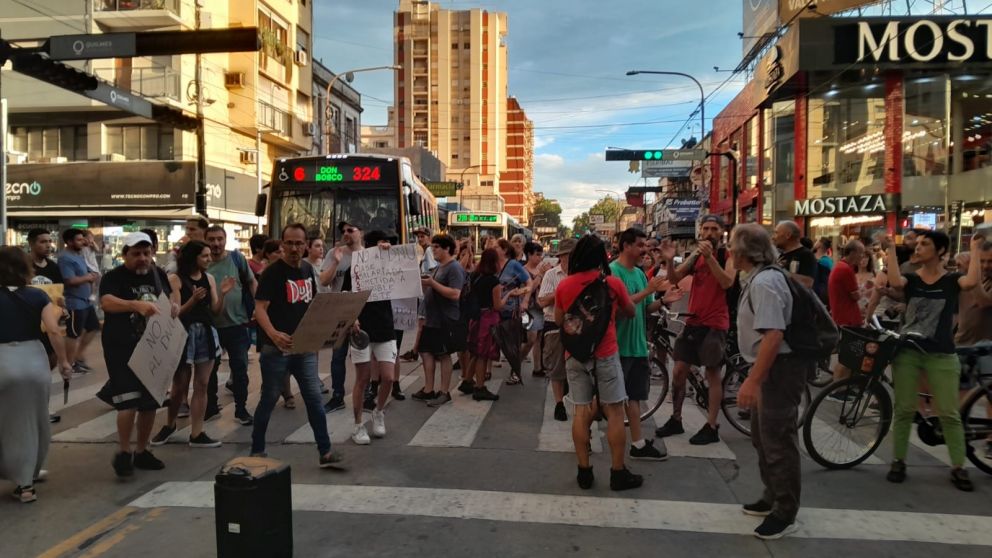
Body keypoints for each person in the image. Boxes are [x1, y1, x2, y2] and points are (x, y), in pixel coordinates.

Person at [881, 231, 985, 492]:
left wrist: (974, 249)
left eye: (924, 244)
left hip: (941, 354)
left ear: (940, 251)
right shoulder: (913, 279)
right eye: (917, 244)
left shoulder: (951, 279)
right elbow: (895, 281)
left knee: (949, 413)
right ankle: (898, 461)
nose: (918, 247)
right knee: (904, 409)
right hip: (908, 352)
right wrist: (890, 250)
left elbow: (972, 282)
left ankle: (958, 466)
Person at [731, 224, 811, 540]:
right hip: (770, 368)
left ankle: (785, 511)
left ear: (743, 253)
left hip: (780, 369)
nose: (729, 252)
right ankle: (773, 495)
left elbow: (774, 335)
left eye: (732, 247)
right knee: (762, 437)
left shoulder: (765, 282)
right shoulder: (757, 278)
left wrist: (753, 381)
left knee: (777, 440)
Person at [554, 235, 642, 491]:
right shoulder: (612, 283)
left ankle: (584, 471)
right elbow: (631, 311)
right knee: (614, 411)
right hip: (606, 352)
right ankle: (617, 472)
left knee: (581, 412)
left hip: (575, 355)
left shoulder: (564, 285)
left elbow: (559, 320)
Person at [251, 223, 342, 468]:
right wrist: (273, 334)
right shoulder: (272, 273)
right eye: (289, 243)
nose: (294, 248)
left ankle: (325, 451)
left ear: (305, 246)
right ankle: (257, 450)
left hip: (304, 348)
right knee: (269, 399)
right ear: (282, 244)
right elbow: (260, 309)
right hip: (276, 349)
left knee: (314, 398)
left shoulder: (307, 269)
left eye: (299, 243)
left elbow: (314, 304)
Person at [97, 232, 177, 478]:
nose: (142, 258)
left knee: (150, 402)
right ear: (125, 255)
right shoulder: (113, 277)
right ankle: (124, 452)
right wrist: (134, 305)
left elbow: (168, 297)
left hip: (153, 346)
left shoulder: (158, 274)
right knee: (128, 401)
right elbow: (106, 302)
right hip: (122, 347)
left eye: (146, 253)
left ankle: (142, 451)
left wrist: (173, 307)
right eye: (136, 254)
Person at [0, 247, 72, 503]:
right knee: (31, 423)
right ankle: (26, 484)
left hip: (2, 361)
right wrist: (64, 362)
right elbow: (53, 331)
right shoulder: (38, 295)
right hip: (32, 360)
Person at [656, 215, 736, 445]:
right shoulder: (695, 256)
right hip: (693, 322)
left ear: (721, 232)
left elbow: (727, 282)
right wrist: (670, 261)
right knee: (679, 370)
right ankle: (676, 419)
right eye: (706, 228)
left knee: (712, 374)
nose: (709, 233)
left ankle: (712, 425)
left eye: (714, 229)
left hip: (715, 323)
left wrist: (709, 257)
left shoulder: (728, 256)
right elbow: (674, 278)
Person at [151, 241, 233, 448]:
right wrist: (193, 301)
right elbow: (176, 312)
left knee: (202, 383)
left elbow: (215, 310)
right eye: (204, 256)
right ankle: (170, 424)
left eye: (208, 255)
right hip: (184, 333)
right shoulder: (175, 279)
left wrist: (223, 294)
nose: (208, 259)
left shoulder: (209, 278)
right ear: (192, 257)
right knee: (180, 385)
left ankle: (197, 432)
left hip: (206, 332)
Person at [610, 229, 671, 461]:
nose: (644, 249)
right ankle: (583, 426)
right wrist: (648, 290)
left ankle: (637, 444)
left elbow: (646, 307)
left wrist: (663, 299)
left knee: (634, 397)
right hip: (617, 346)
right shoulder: (613, 272)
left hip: (637, 346)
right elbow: (619, 308)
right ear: (626, 246)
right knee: (610, 401)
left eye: (645, 245)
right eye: (640, 245)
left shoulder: (639, 274)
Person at [349, 230, 401, 445]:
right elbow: (347, 296)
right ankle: (358, 425)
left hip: (385, 327)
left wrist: (390, 254)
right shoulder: (356, 266)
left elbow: (406, 272)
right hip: (361, 330)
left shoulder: (389, 264)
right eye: (381, 242)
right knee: (362, 379)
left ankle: (378, 411)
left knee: (388, 377)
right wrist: (352, 318)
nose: (385, 245)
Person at [203, 226, 257, 426]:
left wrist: (258, 306)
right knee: (210, 370)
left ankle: (241, 409)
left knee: (240, 368)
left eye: (219, 239)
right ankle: (210, 407)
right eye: (211, 239)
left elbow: (251, 282)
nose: (216, 243)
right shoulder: (202, 263)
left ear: (225, 240)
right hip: (211, 326)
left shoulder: (236, 259)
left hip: (237, 325)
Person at [413, 235, 466, 406]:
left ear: (447, 249)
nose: (433, 250)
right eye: (433, 247)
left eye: (436, 247)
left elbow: (455, 293)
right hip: (432, 319)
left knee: (443, 355)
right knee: (425, 352)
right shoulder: (438, 268)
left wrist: (432, 284)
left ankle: (444, 392)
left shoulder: (454, 268)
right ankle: (429, 389)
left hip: (445, 319)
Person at [460, 248, 517, 401]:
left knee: (475, 352)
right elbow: (498, 306)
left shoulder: (475, 275)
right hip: (488, 319)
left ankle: (467, 381)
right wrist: (508, 294)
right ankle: (480, 387)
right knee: (483, 355)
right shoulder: (493, 281)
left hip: (475, 318)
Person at [320, 221, 363, 412]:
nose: (346, 233)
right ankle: (338, 395)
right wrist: (336, 262)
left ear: (360, 233)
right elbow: (324, 281)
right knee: (338, 357)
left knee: (363, 356)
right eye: (343, 231)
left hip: (363, 312)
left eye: (350, 230)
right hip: (339, 314)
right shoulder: (334, 253)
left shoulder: (369, 254)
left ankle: (366, 392)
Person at [538, 239, 574, 421]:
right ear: (561, 257)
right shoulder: (552, 275)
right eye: (566, 256)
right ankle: (559, 403)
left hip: (576, 324)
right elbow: (542, 301)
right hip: (554, 323)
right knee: (556, 365)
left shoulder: (582, 275)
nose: (569, 259)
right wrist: (562, 290)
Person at [58, 228, 101, 376]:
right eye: (79, 239)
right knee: (73, 334)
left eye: (83, 239)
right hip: (74, 302)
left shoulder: (79, 254)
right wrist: (88, 277)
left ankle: (78, 356)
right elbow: (69, 280)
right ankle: (69, 364)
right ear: (69, 242)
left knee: (93, 327)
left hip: (86, 301)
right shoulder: (65, 258)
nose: (83, 241)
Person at [827, 240, 866, 389]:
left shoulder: (839, 266)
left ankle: (844, 387)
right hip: (848, 317)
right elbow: (855, 295)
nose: (862, 256)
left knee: (850, 353)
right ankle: (837, 388)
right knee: (848, 356)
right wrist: (865, 290)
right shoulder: (845, 269)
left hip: (843, 315)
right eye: (861, 253)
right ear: (853, 252)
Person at [493, 238, 531, 386]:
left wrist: (525, 299)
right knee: (494, 339)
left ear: (504, 250)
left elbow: (529, 282)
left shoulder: (513, 265)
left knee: (513, 342)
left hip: (511, 309)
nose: (494, 249)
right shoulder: (492, 264)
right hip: (494, 308)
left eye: (496, 247)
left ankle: (515, 371)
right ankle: (488, 370)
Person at [521, 241, 552, 375]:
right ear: (529, 255)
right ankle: (516, 363)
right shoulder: (523, 270)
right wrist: (539, 275)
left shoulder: (541, 270)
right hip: (527, 308)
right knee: (531, 339)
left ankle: (538, 367)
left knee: (539, 338)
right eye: (537, 255)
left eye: (541, 255)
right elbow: (528, 289)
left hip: (540, 307)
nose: (540, 258)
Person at [772, 221, 816, 289]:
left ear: (788, 235)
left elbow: (807, 283)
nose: (773, 237)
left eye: (776, 233)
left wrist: (780, 271)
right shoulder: (782, 255)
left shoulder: (806, 255)